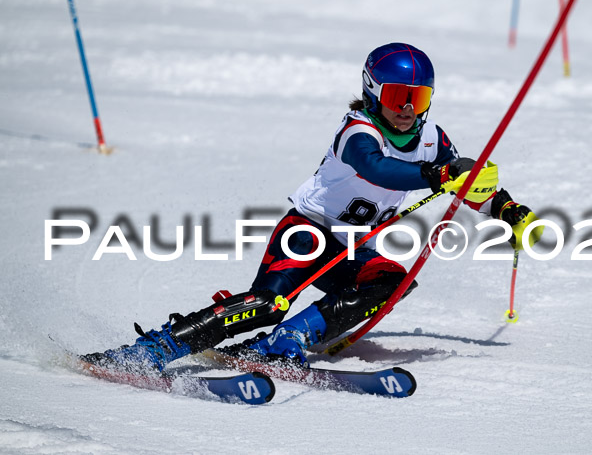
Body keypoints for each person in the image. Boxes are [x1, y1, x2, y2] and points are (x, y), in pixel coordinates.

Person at [84, 43, 543, 372]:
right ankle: (156, 350)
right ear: (372, 91)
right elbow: (377, 169)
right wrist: (438, 176)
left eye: (417, 98)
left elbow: (469, 185)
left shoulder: (431, 139)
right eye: (396, 96)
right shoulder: (358, 131)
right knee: (267, 303)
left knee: (390, 282)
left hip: (354, 245)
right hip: (307, 232)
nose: (406, 108)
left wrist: (507, 211)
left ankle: (286, 343)